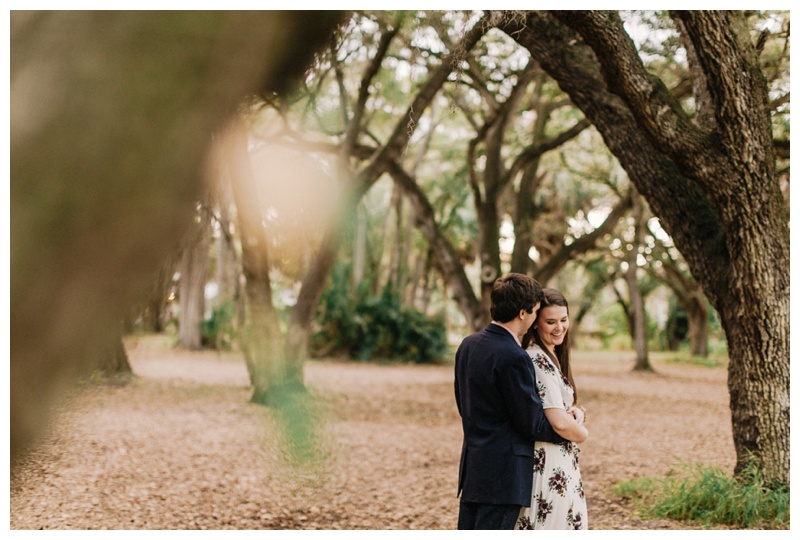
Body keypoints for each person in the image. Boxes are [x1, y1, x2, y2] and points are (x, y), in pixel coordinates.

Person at [454, 273, 573, 530]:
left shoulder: (468, 345)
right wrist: (569, 428)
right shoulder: (515, 356)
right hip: (504, 476)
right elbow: (531, 423)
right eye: (536, 311)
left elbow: (463, 404)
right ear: (523, 313)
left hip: (473, 469)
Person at [516, 287, 589, 530]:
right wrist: (582, 434)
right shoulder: (536, 358)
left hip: (561, 460)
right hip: (548, 462)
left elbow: (559, 406)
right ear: (536, 323)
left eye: (563, 320)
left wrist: (577, 412)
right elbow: (557, 421)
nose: (559, 327)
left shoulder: (552, 354)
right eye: (550, 322)